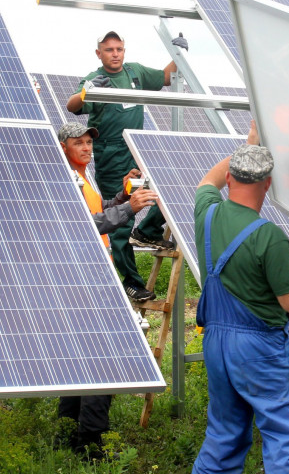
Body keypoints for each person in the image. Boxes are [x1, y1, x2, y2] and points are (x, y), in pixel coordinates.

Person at [191, 122, 289, 473]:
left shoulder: (206, 213)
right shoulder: (269, 238)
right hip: (259, 351)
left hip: (216, 343)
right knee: (282, 433)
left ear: (232, 177)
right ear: (268, 184)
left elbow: (207, 182)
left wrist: (245, 147)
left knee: (224, 432)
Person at [57, 121, 159, 457]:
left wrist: (124, 194)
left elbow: (97, 212)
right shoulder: (64, 179)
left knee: (84, 356)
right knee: (104, 356)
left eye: (89, 142)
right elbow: (82, 225)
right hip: (84, 278)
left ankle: (67, 430)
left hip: (93, 273)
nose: (87, 148)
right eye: (78, 143)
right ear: (63, 148)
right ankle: (90, 442)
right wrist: (128, 208)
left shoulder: (83, 178)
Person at [66, 30, 188, 302]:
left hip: (137, 151)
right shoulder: (94, 79)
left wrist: (178, 53)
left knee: (167, 191)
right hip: (112, 157)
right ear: (99, 53)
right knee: (121, 219)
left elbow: (167, 77)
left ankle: (147, 231)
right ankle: (133, 283)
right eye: (109, 50)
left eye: (119, 49)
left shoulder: (136, 73)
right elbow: (72, 104)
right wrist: (89, 90)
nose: (115, 54)